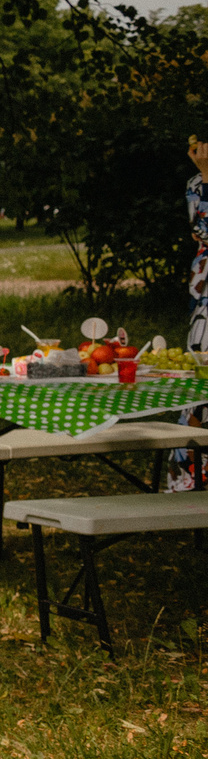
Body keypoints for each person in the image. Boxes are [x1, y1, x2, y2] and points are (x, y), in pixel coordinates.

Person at [170, 135, 207, 493]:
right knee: (201, 378)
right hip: (206, 295)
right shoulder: (196, 184)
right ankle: (189, 477)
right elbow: (204, 231)